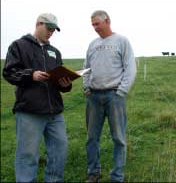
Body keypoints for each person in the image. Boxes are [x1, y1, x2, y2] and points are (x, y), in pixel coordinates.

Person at [2, 13, 72, 182]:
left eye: (54, 30)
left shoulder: (54, 52)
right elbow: (9, 73)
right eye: (48, 28)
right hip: (29, 112)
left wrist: (65, 84)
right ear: (38, 24)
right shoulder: (18, 46)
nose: (51, 33)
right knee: (28, 155)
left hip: (54, 112)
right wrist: (31, 75)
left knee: (60, 150)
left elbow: (60, 81)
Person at [83, 10, 137, 183]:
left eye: (97, 24)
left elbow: (130, 68)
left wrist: (121, 91)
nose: (95, 28)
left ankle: (117, 176)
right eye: (92, 25)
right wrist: (86, 87)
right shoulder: (92, 44)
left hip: (115, 96)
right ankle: (93, 173)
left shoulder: (121, 41)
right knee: (91, 138)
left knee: (119, 138)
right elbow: (86, 68)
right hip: (94, 97)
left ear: (107, 21)